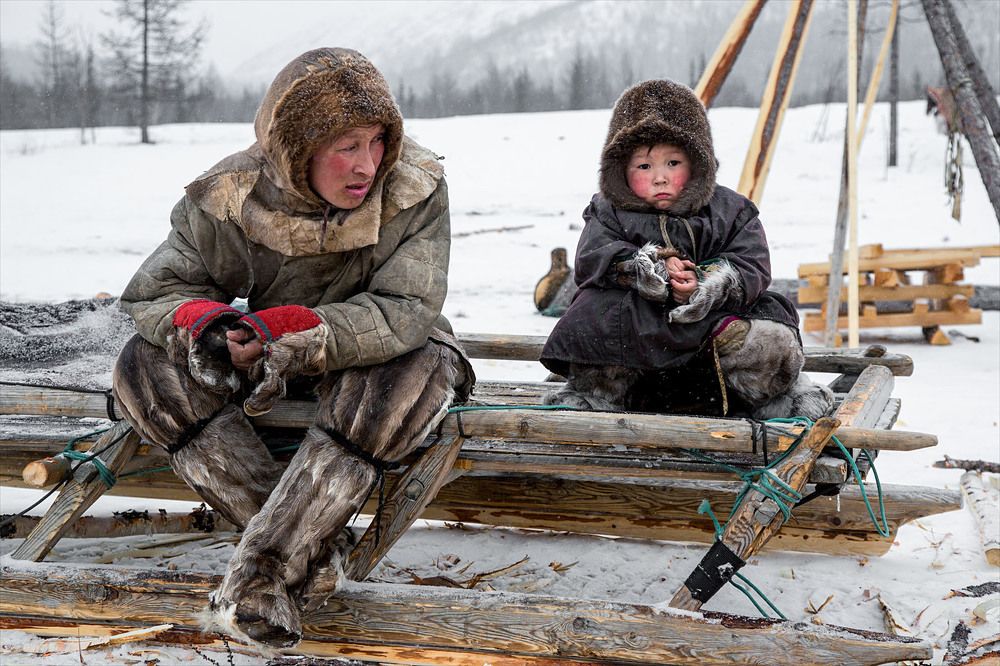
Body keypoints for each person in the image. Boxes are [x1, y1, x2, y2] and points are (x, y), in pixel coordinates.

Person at [112, 48, 473, 648]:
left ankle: (265, 573)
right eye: (347, 146)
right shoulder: (229, 195)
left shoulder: (413, 187)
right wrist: (214, 331)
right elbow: (158, 292)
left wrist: (292, 330)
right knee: (141, 367)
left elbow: (406, 307)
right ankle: (313, 547)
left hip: (378, 353)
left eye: (377, 141)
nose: (368, 164)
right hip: (262, 363)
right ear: (298, 149)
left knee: (416, 371)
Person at [541, 79, 832, 419]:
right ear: (620, 169)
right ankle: (598, 394)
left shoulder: (730, 210)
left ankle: (773, 397)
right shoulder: (608, 211)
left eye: (673, 163)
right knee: (590, 313)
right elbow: (593, 257)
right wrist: (645, 267)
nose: (660, 178)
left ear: (697, 162)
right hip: (635, 328)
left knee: (771, 326)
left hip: (711, 324)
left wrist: (706, 280)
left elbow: (752, 262)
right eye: (644, 166)